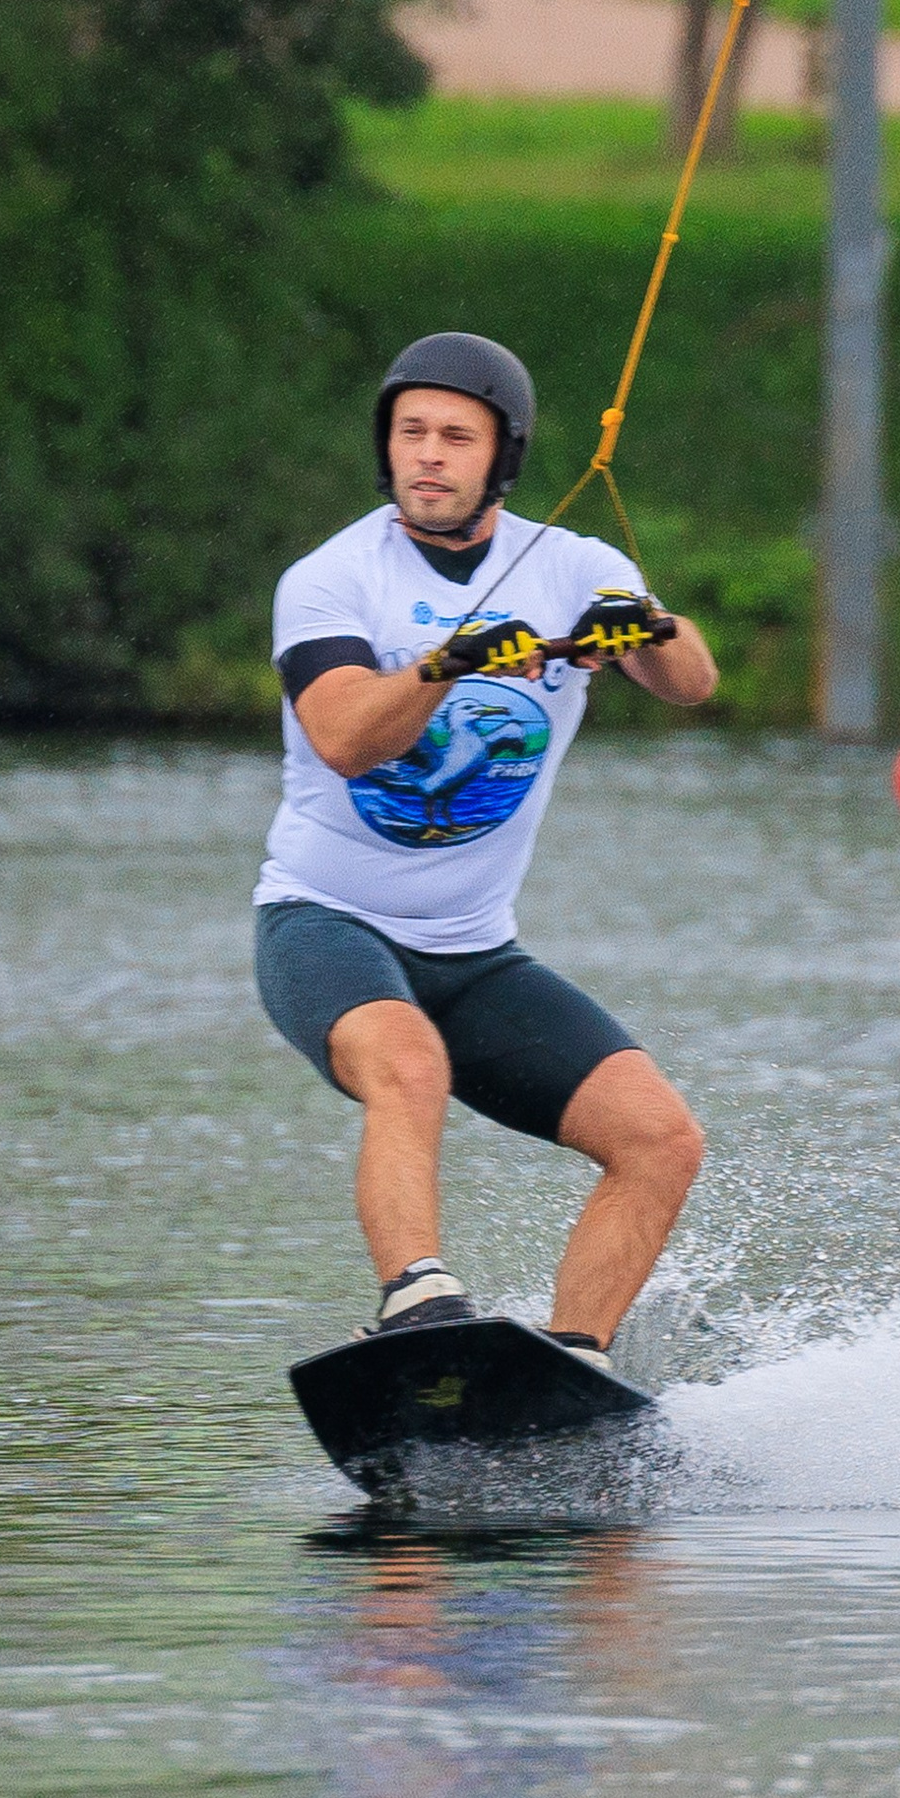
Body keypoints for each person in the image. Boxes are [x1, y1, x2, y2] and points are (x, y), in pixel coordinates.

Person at [254, 330, 717, 1364]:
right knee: (408, 1062)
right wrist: (445, 665)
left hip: (473, 950)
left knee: (660, 1139)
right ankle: (417, 1305)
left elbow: (693, 683)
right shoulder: (331, 579)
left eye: (455, 437)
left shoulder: (574, 567)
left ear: (502, 457)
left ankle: (574, 1363)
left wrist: (646, 626)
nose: (427, 455)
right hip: (324, 924)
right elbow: (343, 736)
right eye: (410, 433)